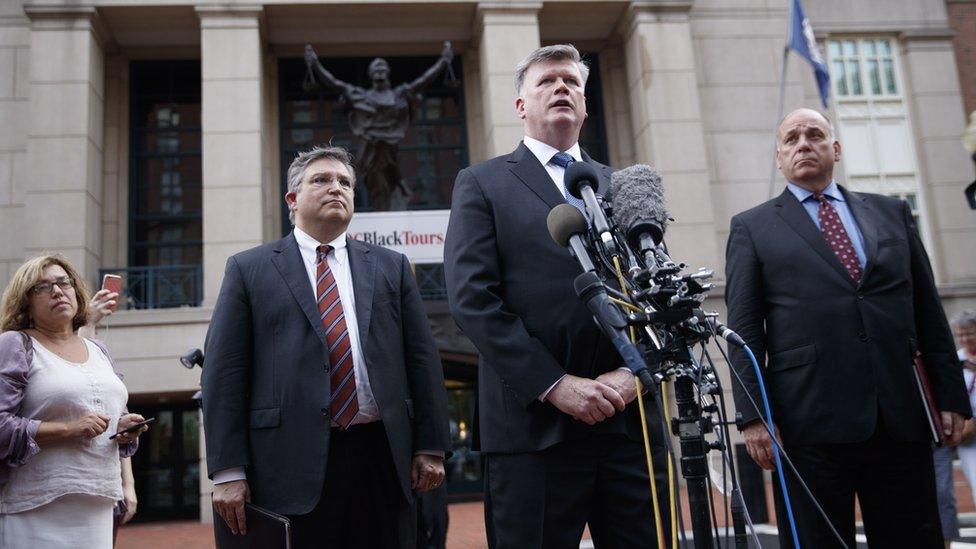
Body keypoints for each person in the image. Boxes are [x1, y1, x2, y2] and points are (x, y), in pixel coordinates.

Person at [444, 44, 668, 548]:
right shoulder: (482, 183)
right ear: (521, 106)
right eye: (546, 82)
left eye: (571, 82)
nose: (561, 88)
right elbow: (472, 300)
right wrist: (556, 385)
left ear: (586, 105)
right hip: (534, 428)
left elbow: (660, 295)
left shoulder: (625, 186)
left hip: (629, 426)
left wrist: (635, 375)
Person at [725, 107, 971, 548]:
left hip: (899, 415)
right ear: (778, 157)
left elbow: (927, 312)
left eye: (815, 135)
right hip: (808, 423)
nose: (804, 144)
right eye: (792, 138)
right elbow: (744, 331)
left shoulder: (892, 213)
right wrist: (753, 417)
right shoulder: (752, 228)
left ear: (835, 149)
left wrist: (950, 397)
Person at [202, 145, 451, 548]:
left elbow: (421, 361)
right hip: (288, 464)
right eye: (321, 180)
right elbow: (224, 374)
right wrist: (229, 470)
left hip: (383, 459)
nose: (336, 188)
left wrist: (431, 445)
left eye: (345, 182)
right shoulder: (249, 269)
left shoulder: (391, 266)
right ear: (292, 198)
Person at [0, 254, 148, 548]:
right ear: (25, 302)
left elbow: (113, 417)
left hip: (98, 501)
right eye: (41, 287)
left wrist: (125, 427)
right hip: (35, 504)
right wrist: (68, 429)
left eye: (63, 282)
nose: (57, 291)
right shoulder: (15, 343)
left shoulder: (99, 349)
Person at [303, 43, 454, 211]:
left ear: (388, 73)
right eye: (376, 70)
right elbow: (334, 83)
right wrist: (315, 64)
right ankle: (382, 211)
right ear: (371, 75)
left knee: (391, 182)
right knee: (375, 183)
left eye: (382, 70)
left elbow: (424, 80)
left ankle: (397, 197)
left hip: (390, 146)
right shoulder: (361, 96)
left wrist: (443, 62)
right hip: (370, 148)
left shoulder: (399, 94)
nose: (379, 73)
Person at [953, 311, 976, 509]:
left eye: (970, 333)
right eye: (961, 334)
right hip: (969, 433)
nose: (965, 338)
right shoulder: (956, 359)